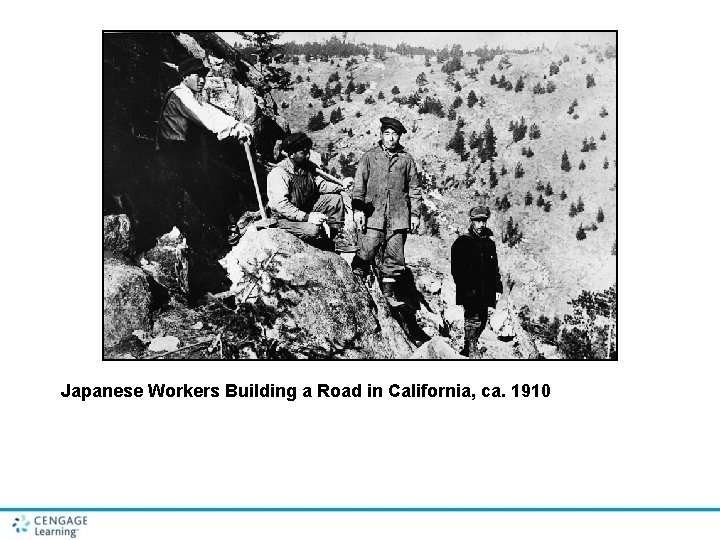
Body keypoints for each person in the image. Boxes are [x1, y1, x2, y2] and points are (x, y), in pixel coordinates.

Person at [155, 56, 253, 237]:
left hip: (186, 148)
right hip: (173, 150)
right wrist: (233, 128)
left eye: (204, 77)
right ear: (185, 77)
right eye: (197, 76)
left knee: (219, 174)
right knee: (201, 185)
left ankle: (237, 217)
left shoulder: (191, 95)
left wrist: (237, 125)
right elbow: (204, 118)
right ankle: (226, 228)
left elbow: (211, 111)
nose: (202, 81)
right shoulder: (179, 94)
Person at [351, 117, 421, 307]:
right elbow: (359, 186)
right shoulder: (369, 156)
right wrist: (358, 210)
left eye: (395, 135)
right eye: (387, 134)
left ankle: (388, 294)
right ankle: (354, 285)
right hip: (373, 213)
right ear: (381, 135)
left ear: (399, 137)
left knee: (395, 256)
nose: (391, 139)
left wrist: (415, 215)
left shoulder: (406, 160)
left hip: (398, 216)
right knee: (367, 249)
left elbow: (414, 189)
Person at [266, 132, 357, 252]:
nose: (308, 156)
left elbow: (321, 185)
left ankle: (336, 239)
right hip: (284, 219)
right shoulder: (279, 173)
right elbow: (282, 206)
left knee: (335, 200)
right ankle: (315, 246)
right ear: (292, 154)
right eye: (303, 153)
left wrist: (341, 186)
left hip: (304, 208)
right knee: (313, 230)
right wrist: (307, 217)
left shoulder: (306, 167)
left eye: (308, 152)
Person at [450, 206, 503, 357]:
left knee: (483, 319)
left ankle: (468, 347)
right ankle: (472, 349)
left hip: (485, 290)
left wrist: (498, 289)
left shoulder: (489, 244)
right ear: (472, 222)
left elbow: (494, 270)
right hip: (470, 290)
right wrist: (466, 288)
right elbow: (456, 270)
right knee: (473, 319)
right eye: (477, 221)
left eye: (483, 221)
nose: (481, 224)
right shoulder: (463, 242)